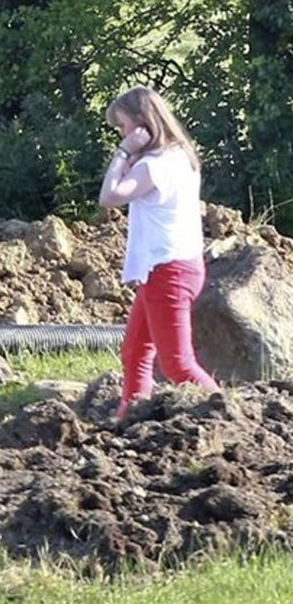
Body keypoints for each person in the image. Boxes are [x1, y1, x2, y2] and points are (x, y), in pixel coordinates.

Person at [98, 85, 218, 419]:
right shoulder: (179, 156)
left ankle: (226, 414)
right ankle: (130, 419)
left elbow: (110, 197)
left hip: (168, 270)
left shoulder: (155, 165)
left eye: (122, 127)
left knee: (177, 364)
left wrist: (123, 152)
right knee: (136, 351)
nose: (121, 134)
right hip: (174, 267)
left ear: (141, 124)